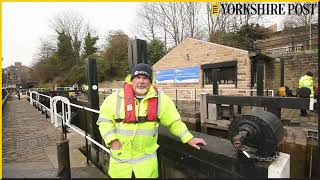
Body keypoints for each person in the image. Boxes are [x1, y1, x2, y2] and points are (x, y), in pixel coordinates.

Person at [97, 63, 207, 178]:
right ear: (131, 80)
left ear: (150, 82)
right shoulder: (115, 98)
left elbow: (174, 122)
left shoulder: (161, 99)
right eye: (137, 77)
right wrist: (112, 140)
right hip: (120, 165)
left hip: (146, 167)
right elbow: (104, 121)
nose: (141, 81)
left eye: (145, 78)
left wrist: (188, 138)